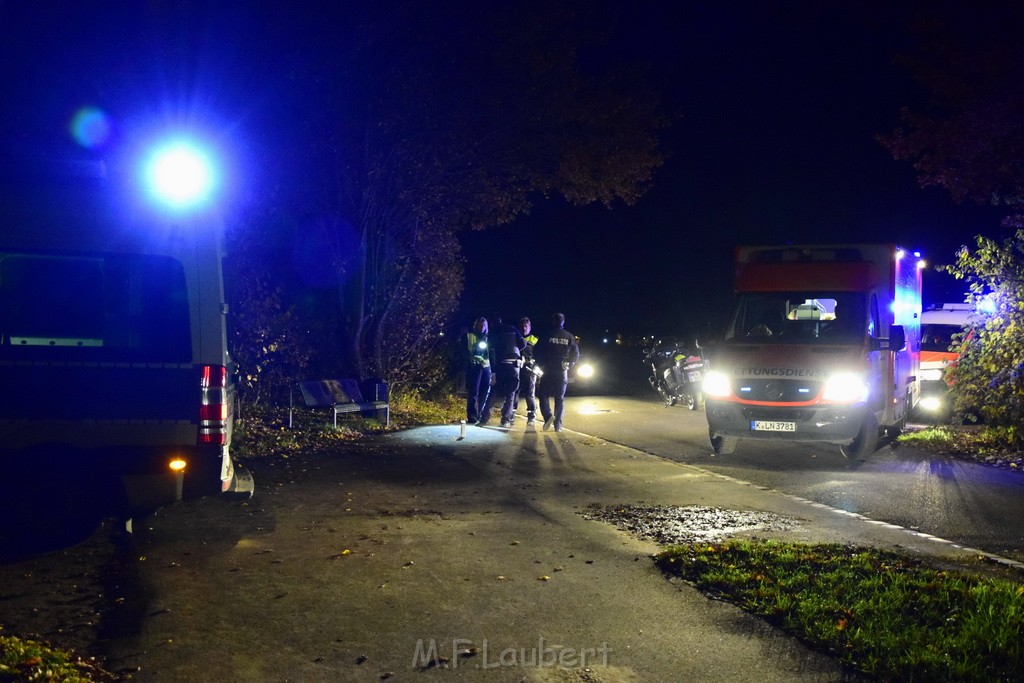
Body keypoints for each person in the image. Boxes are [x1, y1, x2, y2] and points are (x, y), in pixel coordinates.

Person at [534, 312, 579, 432]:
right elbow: (576, 354)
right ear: (563, 322)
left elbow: (537, 350)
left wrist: (540, 364)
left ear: (553, 321)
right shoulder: (569, 336)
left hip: (548, 369)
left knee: (543, 395)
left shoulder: (547, 334)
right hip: (562, 371)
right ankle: (558, 426)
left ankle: (548, 416)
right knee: (559, 398)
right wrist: (570, 363)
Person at [479, 315, 526, 427]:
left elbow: (491, 354)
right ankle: (506, 420)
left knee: (494, 390)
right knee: (511, 393)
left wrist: (493, 373)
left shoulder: (493, 334)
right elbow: (523, 344)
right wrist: (514, 350)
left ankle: (484, 419)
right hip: (514, 364)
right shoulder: (512, 328)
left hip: (501, 364)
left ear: (491, 324)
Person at [462, 317, 491, 425]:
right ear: (476, 325)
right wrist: (473, 358)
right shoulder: (470, 336)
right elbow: (465, 350)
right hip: (475, 366)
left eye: (483, 325)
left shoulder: (488, 337)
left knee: (485, 391)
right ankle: (472, 417)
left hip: (487, 367)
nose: (481, 327)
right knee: (474, 391)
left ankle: (479, 414)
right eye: (479, 325)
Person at [513, 317, 540, 425]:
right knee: (514, 392)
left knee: (529, 393)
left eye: (526, 326)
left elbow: (539, 355)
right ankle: (511, 414)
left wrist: (530, 361)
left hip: (529, 370)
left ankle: (531, 415)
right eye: (522, 326)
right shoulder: (515, 338)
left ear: (530, 327)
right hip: (517, 369)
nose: (524, 328)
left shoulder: (535, 339)